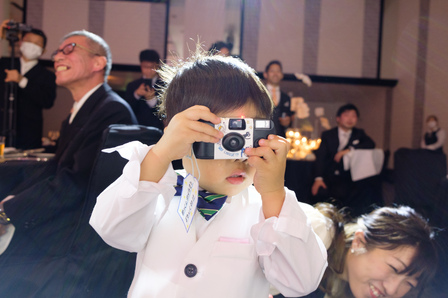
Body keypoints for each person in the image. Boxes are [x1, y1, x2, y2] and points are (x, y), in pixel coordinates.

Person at [90, 49, 328, 297]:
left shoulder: (267, 211)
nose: (239, 154)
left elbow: (302, 280)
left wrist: (273, 193)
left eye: (249, 136)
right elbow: (112, 229)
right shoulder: (157, 189)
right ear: (181, 133)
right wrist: (160, 154)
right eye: (224, 138)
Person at [0, 30, 137, 297]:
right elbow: (55, 168)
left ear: (98, 63)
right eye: (57, 52)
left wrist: (8, 212)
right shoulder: (82, 109)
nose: (57, 56)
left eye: (69, 48)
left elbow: (76, 183)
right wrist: (10, 202)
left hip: (84, 239)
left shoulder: (112, 110)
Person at [272, 203, 438, 298]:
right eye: (394, 268)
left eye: (408, 283)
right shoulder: (314, 234)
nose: (392, 290)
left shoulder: (345, 287)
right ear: (359, 242)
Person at [311, 103, 377, 217]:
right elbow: (321, 157)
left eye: (354, 116)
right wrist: (318, 178)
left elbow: (371, 144)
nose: (350, 119)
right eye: (347, 115)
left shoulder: (359, 133)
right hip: (331, 175)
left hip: (350, 177)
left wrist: (348, 150)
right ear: (338, 118)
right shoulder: (328, 135)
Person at [0, 20, 56, 149]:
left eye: (37, 44)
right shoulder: (5, 63)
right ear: (20, 42)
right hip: (2, 126)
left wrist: (22, 81)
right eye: (29, 41)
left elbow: (48, 101)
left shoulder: (47, 75)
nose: (32, 45)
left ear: (43, 50)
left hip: (28, 134)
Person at [125, 49, 165, 130]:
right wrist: (136, 95)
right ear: (141, 66)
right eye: (145, 67)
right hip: (136, 129)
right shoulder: (132, 86)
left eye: (152, 67)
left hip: (156, 130)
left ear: (157, 67)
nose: (148, 71)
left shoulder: (164, 86)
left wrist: (152, 100)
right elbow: (126, 110)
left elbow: (164, 113)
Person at [263, 60, 294, 138]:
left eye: (278, 71)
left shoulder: (286, 98)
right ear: (265, 74)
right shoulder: (259, 94)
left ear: (282, 75)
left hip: (280, 137)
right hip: (262, 137)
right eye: (272, 71)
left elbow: (289, 119)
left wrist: (288, 122)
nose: (275, 74)